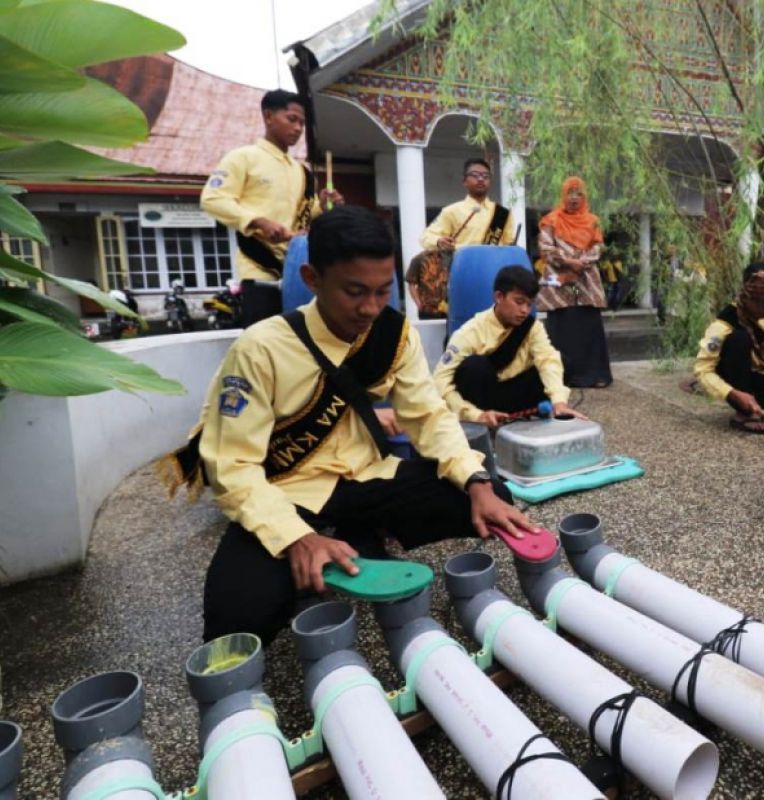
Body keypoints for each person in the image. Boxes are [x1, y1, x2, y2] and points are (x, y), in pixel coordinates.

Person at [162, 206, 529, 645]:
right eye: (355, 292)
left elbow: (428, 416)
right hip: (289, 492)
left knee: (491, 498)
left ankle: (355, 533)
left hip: (365, 477)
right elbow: (234, 466)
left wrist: (477, 482)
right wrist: (296, 538)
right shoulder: (260, 349)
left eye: (382, 291)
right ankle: (334, 541)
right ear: (313, 278)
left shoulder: (394, 334)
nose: (371, 308)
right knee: (234, 617)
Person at [201, 89, 342, 327]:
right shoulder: (243, 157)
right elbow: (212, 199)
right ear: (268, 116)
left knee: (300, 344)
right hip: (260, 270)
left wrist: (324, 206)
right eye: (291, 119)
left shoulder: (301, 171)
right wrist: (257, 221)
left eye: (302, 123)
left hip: (297, 271)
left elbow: (303, 217)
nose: (298, 128)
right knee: (264, 347)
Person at [434, 266, 584, 427]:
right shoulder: (469, 333)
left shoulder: (532, 327)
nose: (524, 310)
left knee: (561, 362)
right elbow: (440, 382)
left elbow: (547, 360)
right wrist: (474, 414)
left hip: (515, 395)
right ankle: (488, 420)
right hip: (483, 400)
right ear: (499, 297)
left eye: (529, 304)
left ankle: (523, 414)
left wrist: (559, 402)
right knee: (474, 367)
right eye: (519, 302)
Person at [694, 263, 764, 434]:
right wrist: (732, 393)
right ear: (745, 295)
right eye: (759, 302)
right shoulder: (724, 324)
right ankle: (744, 414)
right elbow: (703, 370)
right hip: (740, 383)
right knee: (738, 339)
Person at [537, 176, 613, 388]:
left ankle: (595, 376)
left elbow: (597, 248)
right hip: (558, 282)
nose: (574, 198)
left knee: (588, 326)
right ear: (563, 195)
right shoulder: (550, 220)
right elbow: (546, 249)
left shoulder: (593, 221)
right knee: (562, 327)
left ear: (584, 196)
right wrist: (570, 262)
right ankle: (563, 378)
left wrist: (583, 262)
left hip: (586, 281)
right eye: (570, 193)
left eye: (578, 193)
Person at [419, 158, 516, 254]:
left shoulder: (503, 213)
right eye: (475, 175)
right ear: (464, 181)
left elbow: (509, 246)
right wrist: (439, 241)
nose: (481, 179)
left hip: (495, 267)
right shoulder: (451, 211)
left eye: (485, 176)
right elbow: (425, 238)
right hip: (462, 266)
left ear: (490, 181)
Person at [404, 250, 450, 319]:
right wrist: (419, 304)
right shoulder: (418, 259)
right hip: (427, 310)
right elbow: (411, 284)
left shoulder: (450, 258)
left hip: (447, 309)